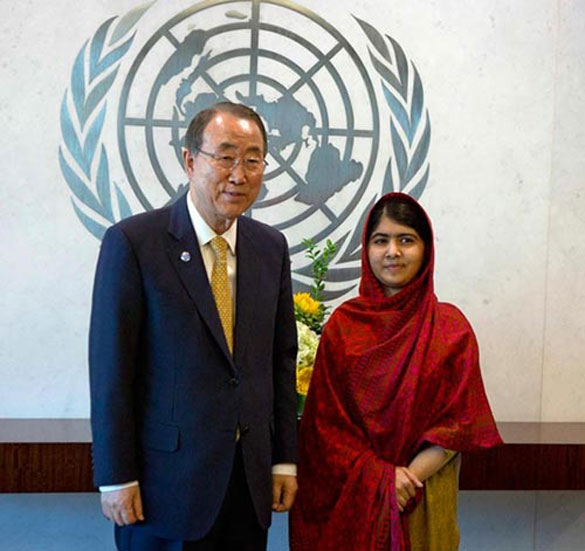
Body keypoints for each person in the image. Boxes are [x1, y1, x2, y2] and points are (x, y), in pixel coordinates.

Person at [89, 102, 298, 551]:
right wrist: (115, 476)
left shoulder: (270, 248)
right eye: (225, 157)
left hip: (247, 485)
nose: (239, 175)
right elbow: (111, 370)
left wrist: (284, 461)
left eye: (253, 160)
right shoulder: (134, 243)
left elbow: (280, 361)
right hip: (162, 487)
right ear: (190, 160)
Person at [290, 193, 502, 551]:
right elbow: (325, 426)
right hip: (352, 498)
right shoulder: (344, 326)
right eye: (380, 240)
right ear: (366, 249)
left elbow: (457, 425)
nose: (393, 252)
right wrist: (380, 478)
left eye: (406, 240)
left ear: (426, 250)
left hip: (422, 494)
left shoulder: (450, 329)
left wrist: (404, 481)